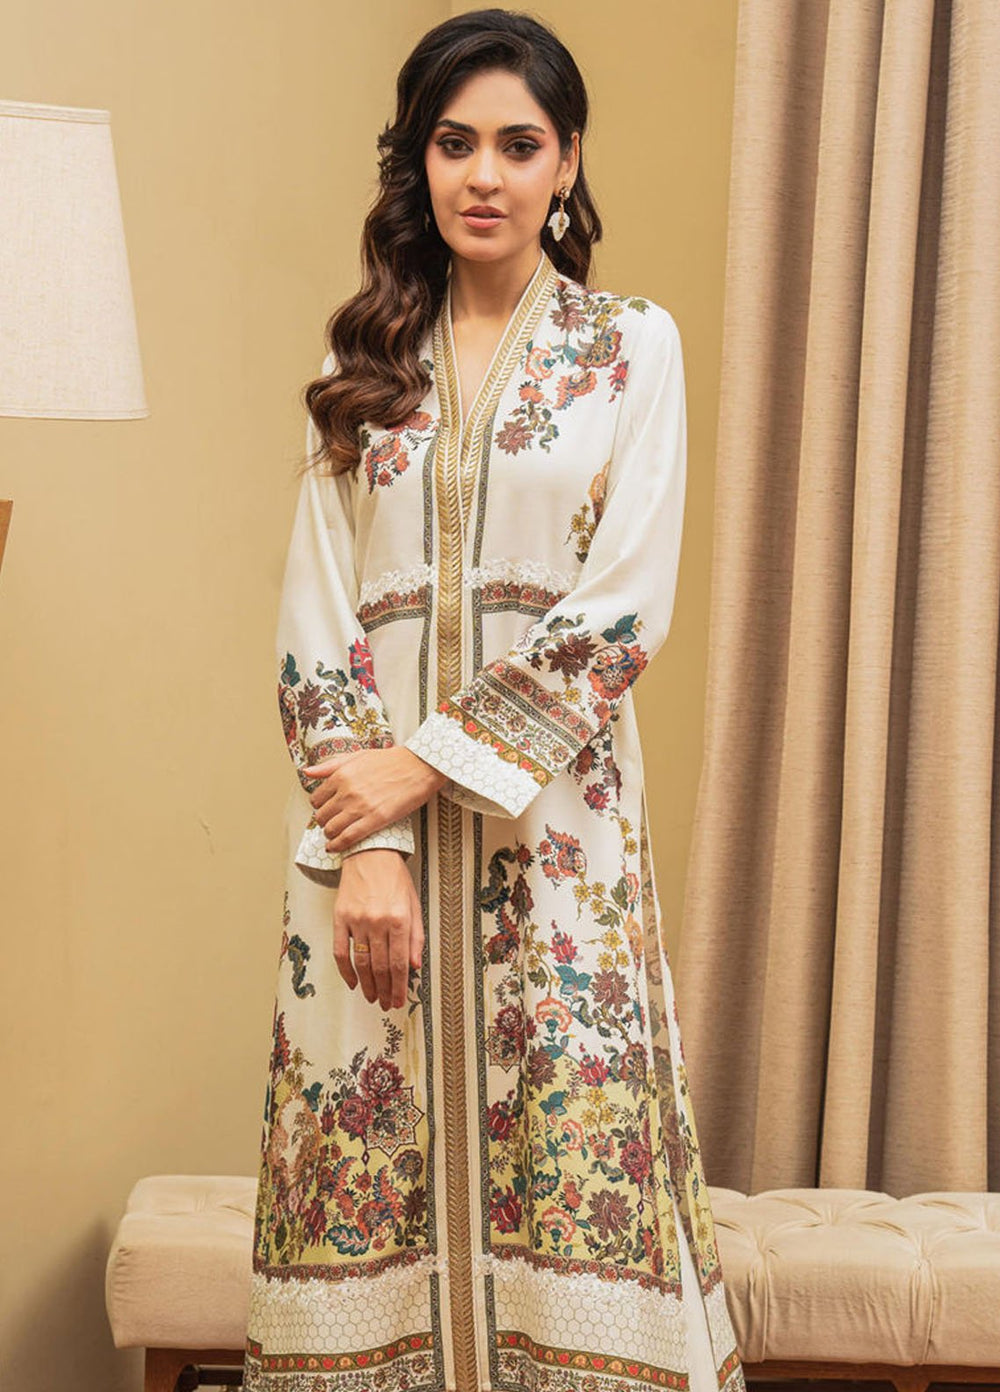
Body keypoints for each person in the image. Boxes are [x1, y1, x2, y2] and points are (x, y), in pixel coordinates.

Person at [243, 10, 747, 1392]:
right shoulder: (361, 370)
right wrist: (367, 844)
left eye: (519, 146)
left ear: (567, 160)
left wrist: (417, 770)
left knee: (566, 1157)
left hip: (561, 844)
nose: (485, 175)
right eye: (454, 144)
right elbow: (315, 623)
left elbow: (621, 608)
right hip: (365, 858)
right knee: (371, 1141)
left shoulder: (630, 348)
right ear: (416, 162)